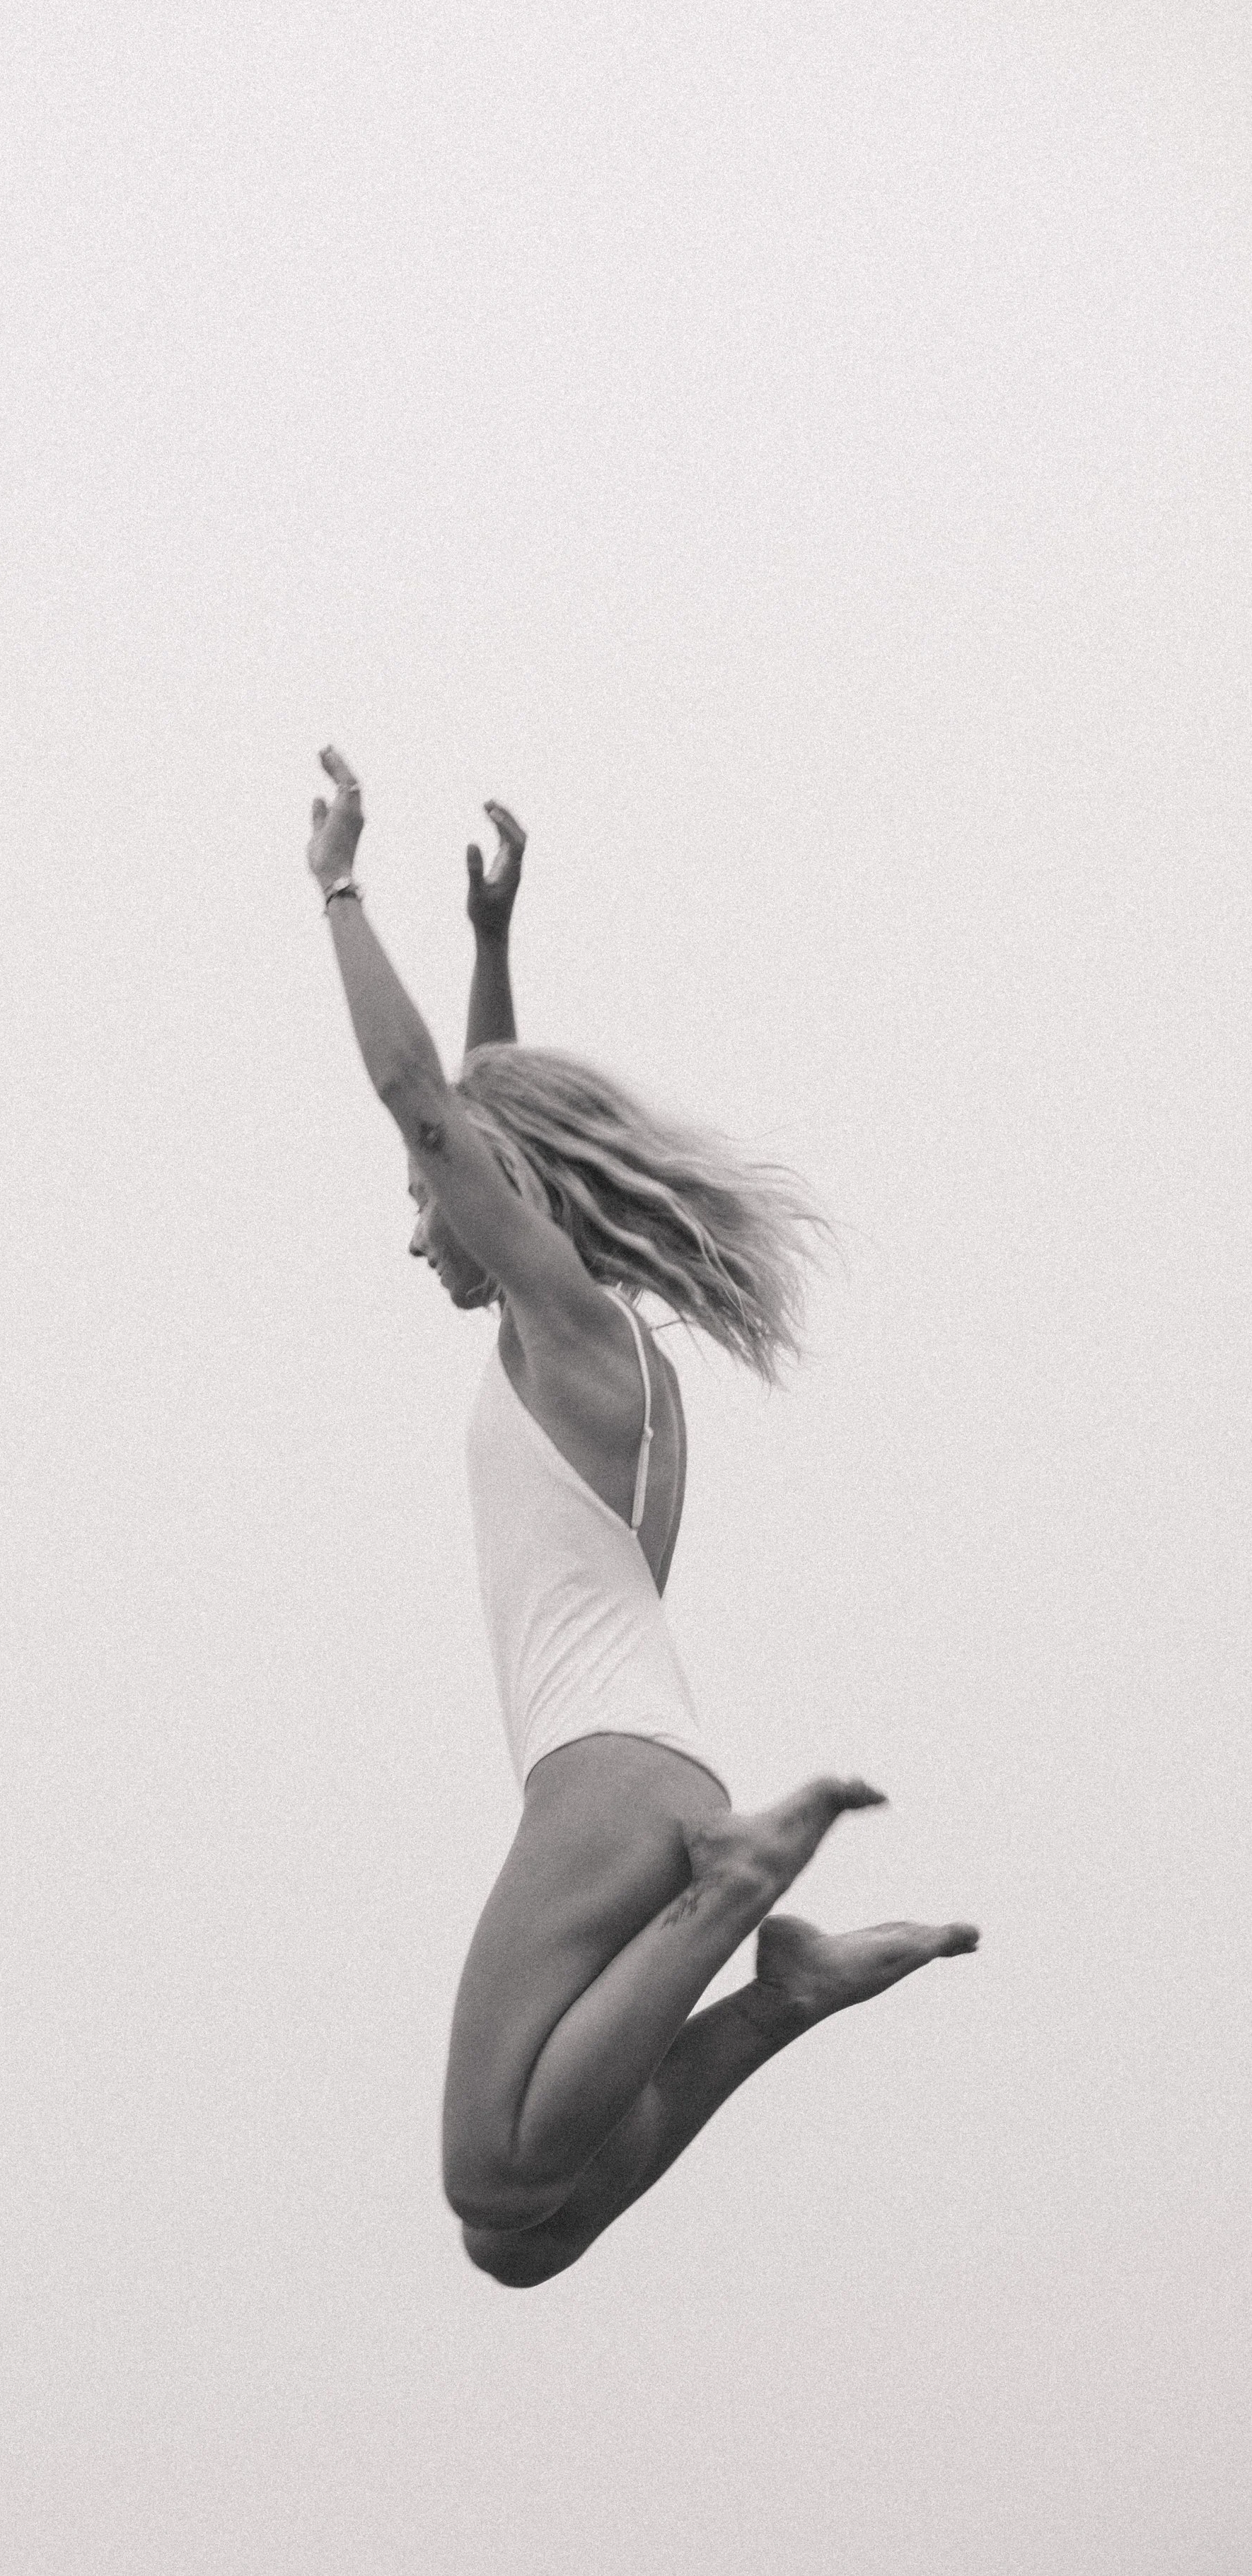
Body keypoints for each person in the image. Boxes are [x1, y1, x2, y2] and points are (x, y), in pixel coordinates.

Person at [305, 746, 978, 2289]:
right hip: (646, 1768)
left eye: (422, 1200)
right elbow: (479, 1116)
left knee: (482, 2165)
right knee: (514, 2237)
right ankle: (777, 1997)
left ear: (486, 1187)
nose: (416, 1233)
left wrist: (339, 890)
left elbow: (429, 1107)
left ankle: (739, 1891)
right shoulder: (599, 1354)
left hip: (604, 1786)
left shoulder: (570, 1334)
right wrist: (489, 949)